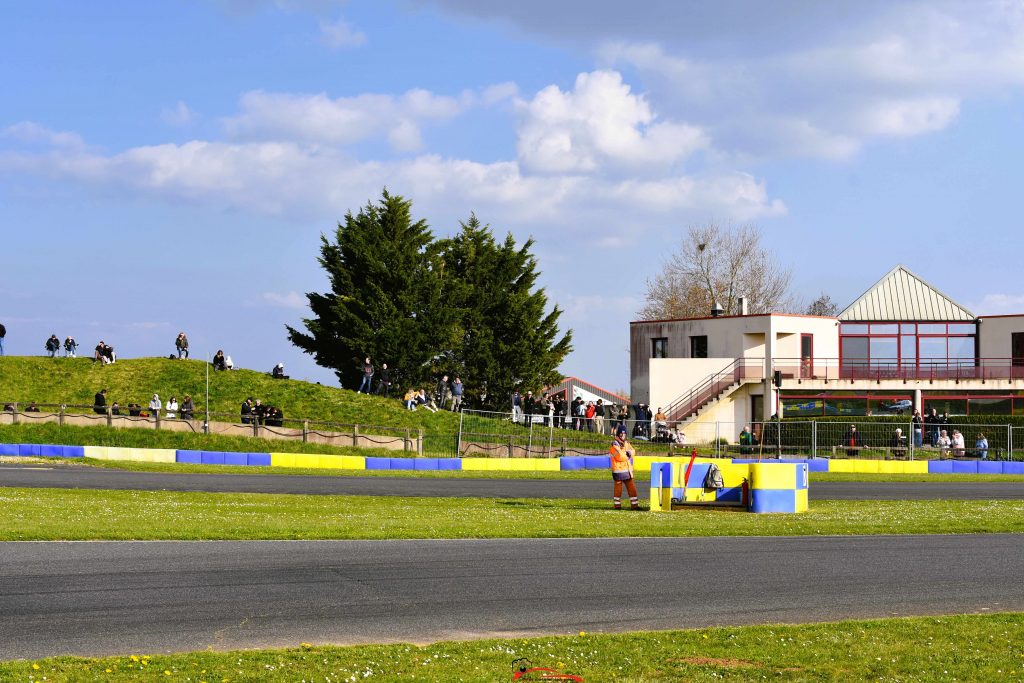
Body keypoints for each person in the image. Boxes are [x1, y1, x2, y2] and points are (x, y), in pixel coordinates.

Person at [609, 424, 640, 510]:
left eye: (625, 434)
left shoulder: (626, 443)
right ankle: (617, 506)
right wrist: (628, 454)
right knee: (618, 489)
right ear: (619, 434)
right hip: (618, 471)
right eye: (622, 434)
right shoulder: (614, 444)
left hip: (626, 470)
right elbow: (620, 457)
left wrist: (629, 453)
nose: (623, 436)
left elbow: (633, 451)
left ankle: (635, 506)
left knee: (632, 488)